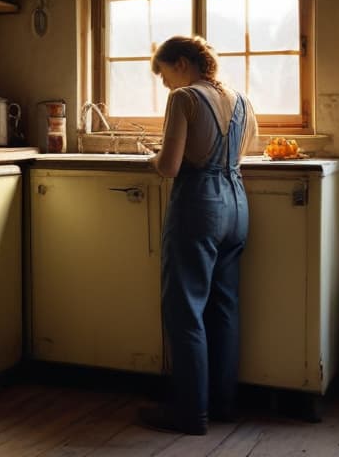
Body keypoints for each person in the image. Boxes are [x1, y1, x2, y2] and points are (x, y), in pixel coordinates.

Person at [139, 35, 257, 436]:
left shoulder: (185, 98)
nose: (166, 85)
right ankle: (222, 405)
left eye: (165, 74)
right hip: (237, 203)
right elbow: (241, 152)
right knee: (223, 307)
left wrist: (151, 157)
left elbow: (170, 166)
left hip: (200, 205)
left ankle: (190, 414)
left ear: (182, 64)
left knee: (184, 310)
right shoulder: (240, 99)